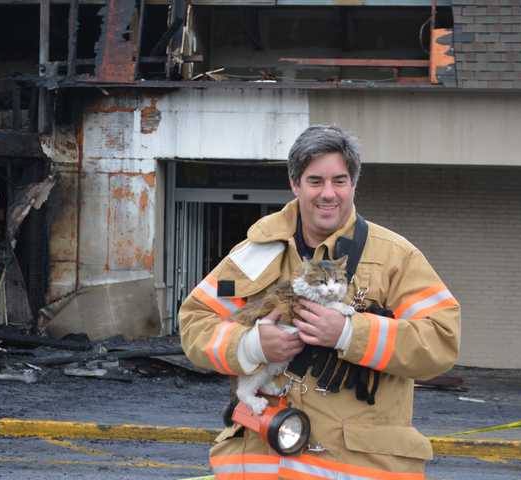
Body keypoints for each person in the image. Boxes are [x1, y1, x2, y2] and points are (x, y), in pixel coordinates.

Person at [179, 125, 461, 479]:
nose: (328, 193)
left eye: (339, 181)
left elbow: (440, 341)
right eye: (315, 181)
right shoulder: (255, 253)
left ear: (354, 184)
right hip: (256, 466)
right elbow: (196, 321)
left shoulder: (396, 259)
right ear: (295, 184)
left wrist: (348, 334)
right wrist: (250, 346)